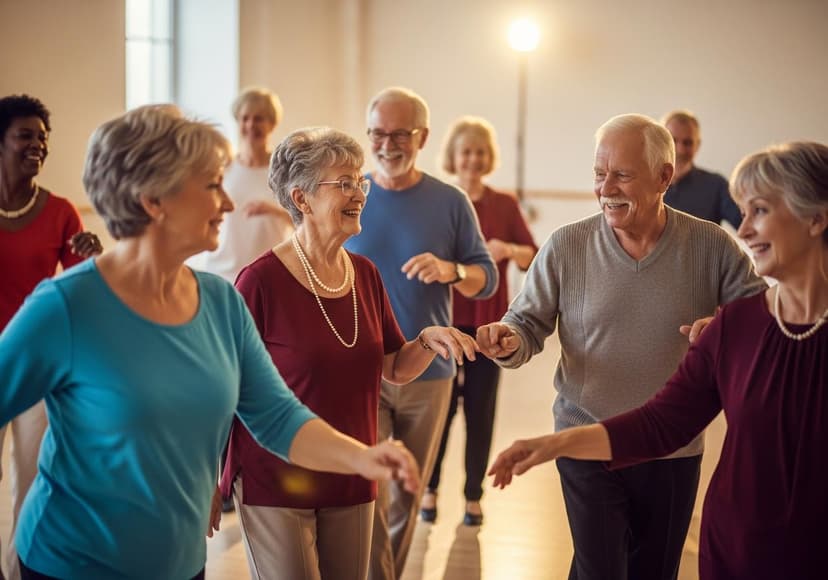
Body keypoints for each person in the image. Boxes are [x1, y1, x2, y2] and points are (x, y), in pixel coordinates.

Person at [0, 104, 420, 580]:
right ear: (154, 200)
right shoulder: (67, 306)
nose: (227, 203)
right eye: (212, 185)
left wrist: (363, 457)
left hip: (179, 564)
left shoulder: (220, 302)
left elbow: (277, 417)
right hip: (73, 564)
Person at [489, 141, 828, 580]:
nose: (744, 231)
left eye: (759, 211)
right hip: (734, 553)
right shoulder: (738, 326)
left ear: (816, 218)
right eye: (743, 213)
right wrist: (552, 445)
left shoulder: (714, 260)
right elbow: (660, 423)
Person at [219, 126, 479, 580]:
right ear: (301, 199)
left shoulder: (364, 273)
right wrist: (211, 479)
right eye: (344, 183)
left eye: (359, 181)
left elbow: (393, 368)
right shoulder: (260, 282)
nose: (359, 193)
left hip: (354, 471)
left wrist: (426, 341)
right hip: (276, 475)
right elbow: (225, 387)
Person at [344, 87, 497, 580]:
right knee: (370, 487)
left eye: (400, 135)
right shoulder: (350, 196)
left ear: (423, 137)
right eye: (378, 134)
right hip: (363, 369)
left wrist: (452, 270)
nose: (387, 145)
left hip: (429, 373)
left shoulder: (450, 201)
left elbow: (486, 278)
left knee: (407, 494)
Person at [0, 94, 101, 580]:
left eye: (43, 138)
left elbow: (84, 289)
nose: (37, 145)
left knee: (33, 475)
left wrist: (95, 257)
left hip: (38, 366)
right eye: (25, 135)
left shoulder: (60, 212)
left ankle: (19, 569)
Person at [421, 116, 537, 527]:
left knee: (481, 413)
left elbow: (533, 256)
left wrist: (509, 249)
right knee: (440, 411)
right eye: (466, 151)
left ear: (489, 158)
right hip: (445, 322)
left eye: (480, 152)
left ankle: (474, 496)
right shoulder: (439, 200)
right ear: (453, 156)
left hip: (489, 326)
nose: (472, 159)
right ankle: (429, 489)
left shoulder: (504, 204)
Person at [193, 87, 293, 282]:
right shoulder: (223, 168)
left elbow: (306, 221)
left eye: (258, 119)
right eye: (244, 118)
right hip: (223, 273)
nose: (250, 125)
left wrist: (274, 211)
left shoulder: (285, 170)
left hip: (271, 274)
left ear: (272, 124)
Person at [662, 110, 742, 229]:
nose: (680, 150)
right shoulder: (644, 184)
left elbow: (746, 224)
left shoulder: (716, 185)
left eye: (688, 143)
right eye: (673, 140)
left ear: (697, 145)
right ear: (661, 143)